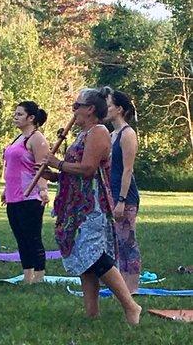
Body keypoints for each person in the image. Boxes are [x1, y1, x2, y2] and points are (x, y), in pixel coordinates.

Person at [42, 88, 142, 325]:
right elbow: (75, 172)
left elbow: (88, 169)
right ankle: (91, 313)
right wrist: (55, 174)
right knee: (83, 259)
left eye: (76, 106)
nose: (73, 110)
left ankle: (131, 306)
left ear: (90, 109)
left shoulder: (98, 132)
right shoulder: (81, 134)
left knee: (94, 256)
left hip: (92, 206)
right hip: (75, 205)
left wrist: (58, 162)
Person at [2, 101, 50, 284]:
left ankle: (39, 276)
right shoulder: (18, 138)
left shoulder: (37, 139)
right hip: (14, 196)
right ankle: (27, 275)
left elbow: (42, 167)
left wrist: (44, 190)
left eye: (20, 114)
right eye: (15, 113)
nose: (16, 117)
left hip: (30, 196)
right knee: (20, 237)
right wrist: (6, 190)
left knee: (32, 237)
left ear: (31, 118)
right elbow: (12, 167)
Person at [106, 89, 141, 294]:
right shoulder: (111, 134)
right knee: (116, 242)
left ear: (119, 109)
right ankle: (122, 286)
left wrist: (121, 200)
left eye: (109, 105)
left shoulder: (127, 134)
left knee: (128, 241)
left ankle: (132, 288)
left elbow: (128, 170)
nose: (106, 109)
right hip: (111, 195)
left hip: (125, 196)